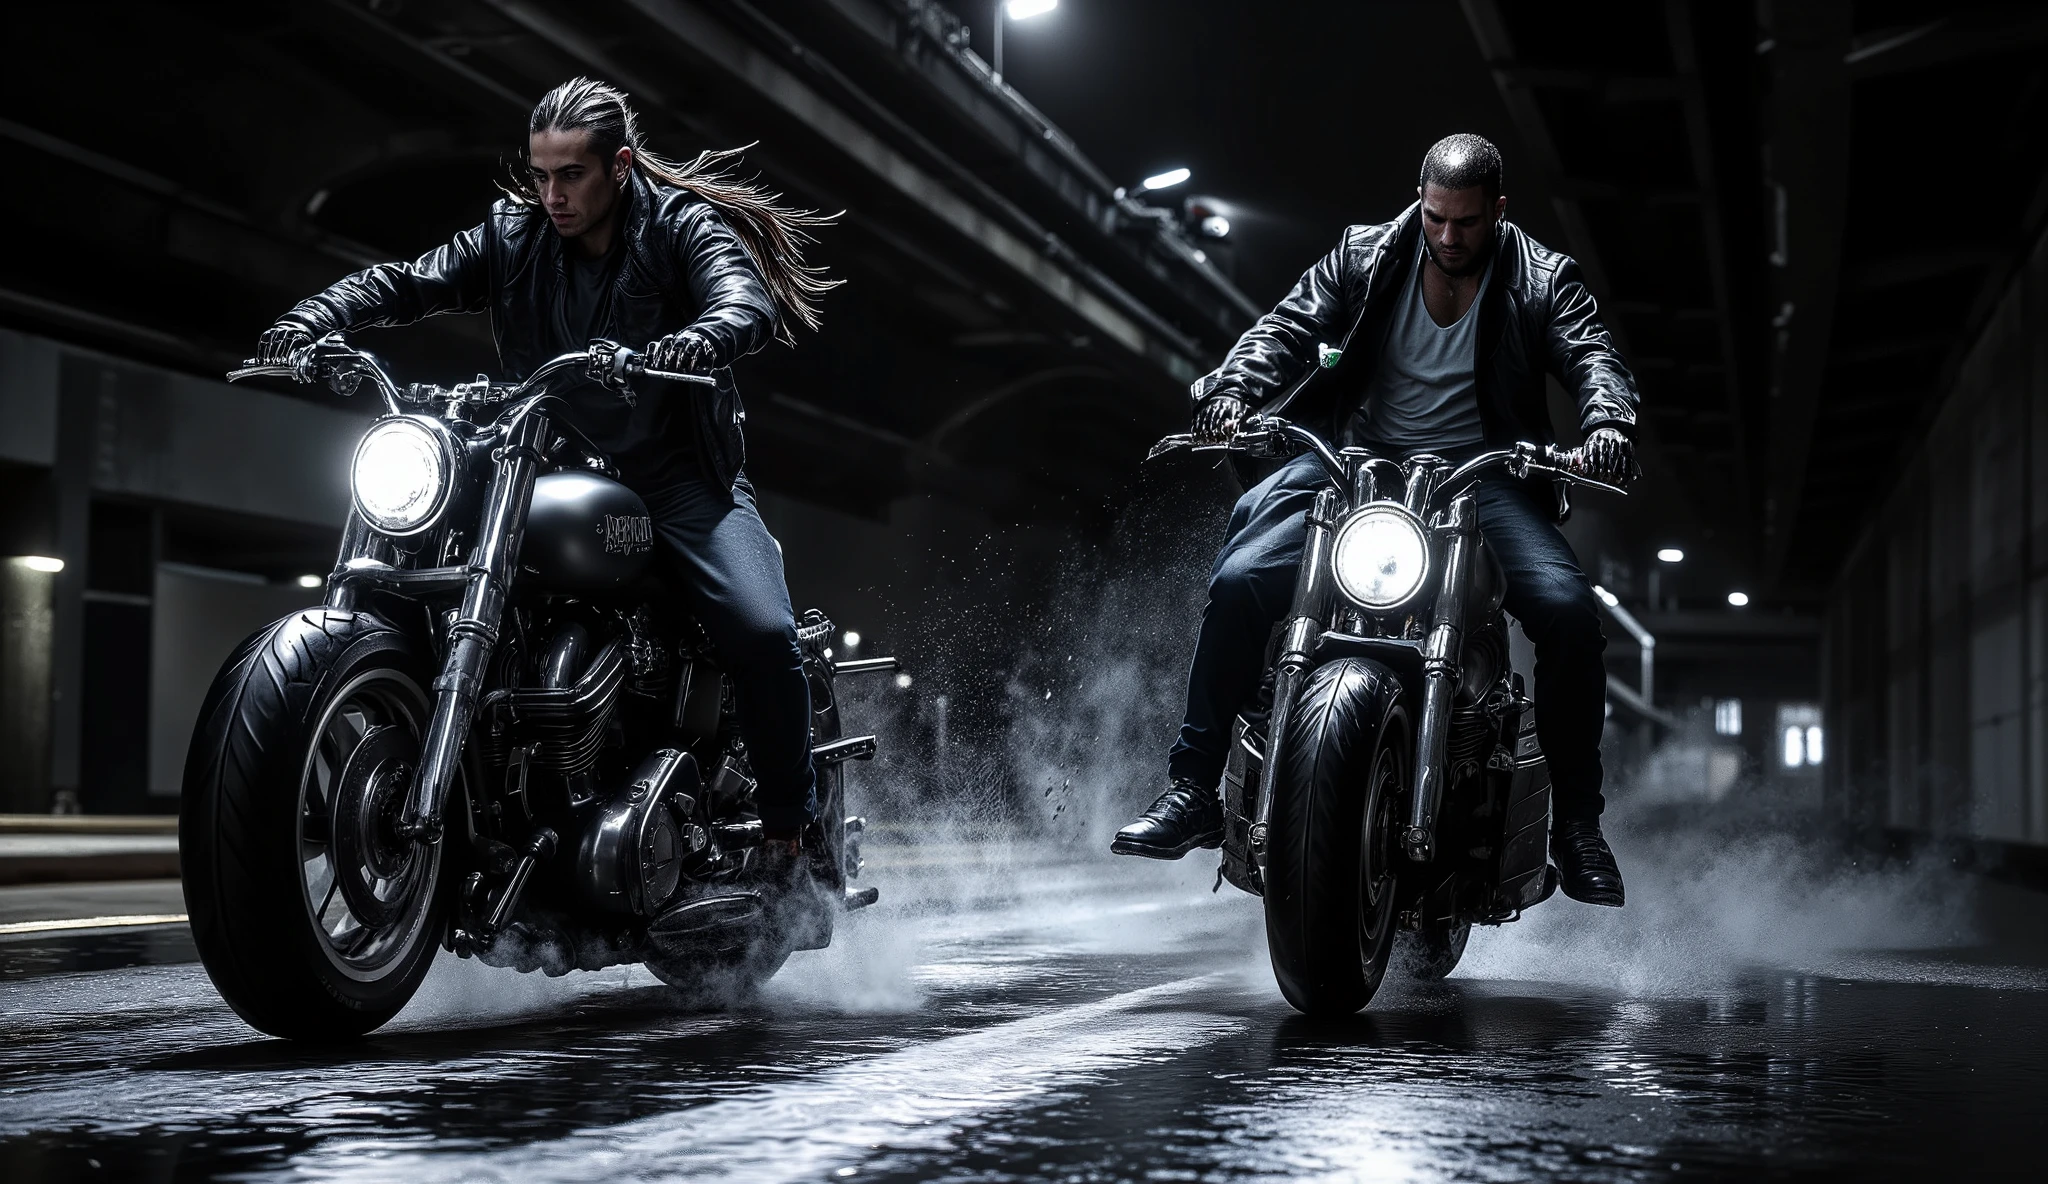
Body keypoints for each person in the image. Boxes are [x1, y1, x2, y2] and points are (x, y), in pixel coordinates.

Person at [254, 77, 837, 882]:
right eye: (540, 174)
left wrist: (703, 338)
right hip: (541, 464)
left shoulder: (679, 228)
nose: (551, 194)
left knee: (763, 632)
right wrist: (313, 320)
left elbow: (743, 298)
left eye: (572, 175)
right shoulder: (513, 235)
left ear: (621, 167)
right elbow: (406, 281)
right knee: (410, 567)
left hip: (675, 476)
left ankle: (788, 834)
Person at [1111, 134, 1636, 906]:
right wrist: (1235, 386)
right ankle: (1193, 790)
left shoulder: (1542, 278)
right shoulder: (1363, 254)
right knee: (1241, 580)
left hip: (1478, 476)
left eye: (1465, 222)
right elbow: (1287, 328)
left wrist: (1609, 426)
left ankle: (1578, 828)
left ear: (1498, 210)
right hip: (1352, 462)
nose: (1448, 237)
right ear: (1419, 203)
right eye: (1435, 219)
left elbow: (1591, 352)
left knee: (1565, 611)